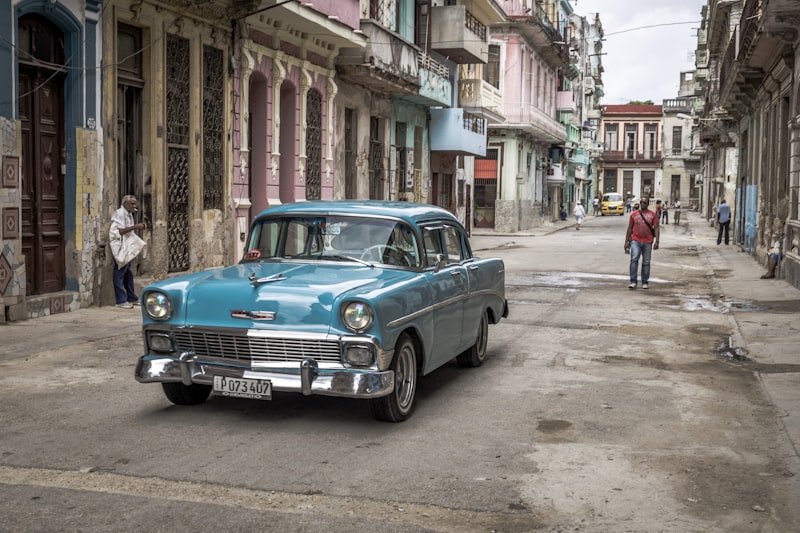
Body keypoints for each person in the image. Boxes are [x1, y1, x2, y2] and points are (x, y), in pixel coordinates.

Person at [109, 195, 147, 308]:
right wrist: (136, 227)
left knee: (128, 273)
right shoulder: (119, 214)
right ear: (125, 203)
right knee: (120, 271)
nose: (134, 206)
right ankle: (120, 300)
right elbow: (120, 231)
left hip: (126, 245)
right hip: (120, 245)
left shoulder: (129, 214)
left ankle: (131, 297)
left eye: (135, 204)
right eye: (132, 204)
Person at [624, 197, 659, 290]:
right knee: (634, 259)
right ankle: (633, 281)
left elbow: (656, 228)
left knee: (646, 262)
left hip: (648, 241)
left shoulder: (653, 215)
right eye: (641, 202)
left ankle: (645, 281)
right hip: (635, 240)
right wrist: (626, 241)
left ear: (648, 204)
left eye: (644, 202)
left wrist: (657, 241)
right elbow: (630, 228)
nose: (643, 204)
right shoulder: (634, 215)